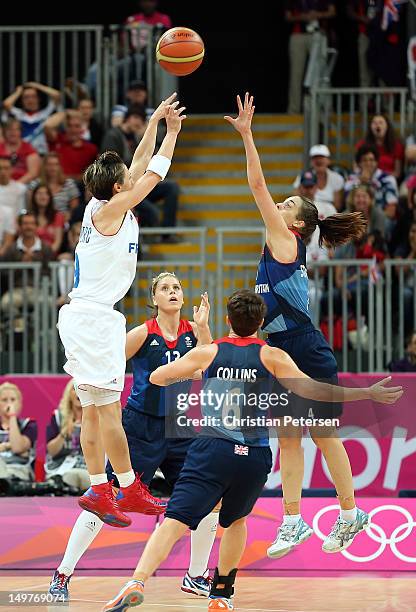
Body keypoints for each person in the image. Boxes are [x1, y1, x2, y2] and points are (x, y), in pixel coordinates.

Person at [102, 289, 401, 612]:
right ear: (261, 323)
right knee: (236, 521)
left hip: (211, 450)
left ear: (228, 320)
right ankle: (221, 595)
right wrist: (366, 394)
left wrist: (197, 372)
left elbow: (159, 377)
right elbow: (313, 389)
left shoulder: (211, 352)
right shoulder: (273, 356)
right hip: (254, 456)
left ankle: (137, 580)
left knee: (175, 519)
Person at [225, 93, 370, 559]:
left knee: (323, 436)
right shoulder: (279, 247)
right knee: (288, 437)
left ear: (299, 224)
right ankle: (293, 521)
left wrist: (248, 136)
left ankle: (351, 513)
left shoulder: (284, 240)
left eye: (288, 204)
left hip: (305, 350)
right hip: (283, 352)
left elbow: (256, 186)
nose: (279, 205)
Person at [56, 93, 185, 529]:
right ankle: (128, 487)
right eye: (124, 178)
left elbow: (138, 162)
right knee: (108, 410)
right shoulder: (112, 209)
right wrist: (172, 135)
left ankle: (98, 487)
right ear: (117, 188)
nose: (130, 176)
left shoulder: (105, 202)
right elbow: (150, 174)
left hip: (87, 317)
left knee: (94, 409)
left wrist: (152, 122)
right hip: (93, 319)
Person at [49, 273, 217, 601]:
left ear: (183, 297)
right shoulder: (143, 333)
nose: (172, 292)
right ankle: (63, 572)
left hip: (179, 426)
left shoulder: (192, 331)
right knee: (106, 496)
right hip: (140, 427)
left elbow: (209, 361)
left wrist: (204, 325)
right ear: (154, 299)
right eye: (165, 288)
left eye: (176, 288)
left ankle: (196, 575)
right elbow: (107, 365)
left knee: (207, 496)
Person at [285, 1, 336, 114]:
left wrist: (317, 14)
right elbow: (287, 16)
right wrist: (302, 17)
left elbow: (332, 11)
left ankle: (325, 109)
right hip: (298, 35)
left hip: (318, 34)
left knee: (322, 75)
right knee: (296, 75)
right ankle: (294, 110)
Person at [45, 379, 89, 491]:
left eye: (83, 388)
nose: (79, 392)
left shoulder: (97, 417)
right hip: (62, 466)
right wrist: (64, 433)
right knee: (68, 477)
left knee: (79, 477)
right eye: (75, 389)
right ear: (69, 393)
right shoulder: (58, 417)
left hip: (87, 468)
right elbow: (51, 451)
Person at [2, 81, 61, 155]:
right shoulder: (18, 114)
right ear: (22, 101)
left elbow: (56, 95)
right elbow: (6, 104)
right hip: (22, 155)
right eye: (26, 97)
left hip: (42, 154)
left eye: (34, 96)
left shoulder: (46, 113)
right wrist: (19, 91)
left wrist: (37, 86)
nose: (30, 100)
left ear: (38, 99)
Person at [0, 382, 37, 488]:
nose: (9, 404)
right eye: (4, 400)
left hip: (19, 472)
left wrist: (12, 416)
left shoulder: (29, 425)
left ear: (19, 404)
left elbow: (17, 447)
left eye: (12, 400)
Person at [44, 111, 98, 182]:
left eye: (77, 126)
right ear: (65, 128)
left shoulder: (91, 148)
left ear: (83, 129)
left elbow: (96, 173)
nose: (73, 130)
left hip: (79, 186)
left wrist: (69, 178)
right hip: (56, 184)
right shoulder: (57, 140)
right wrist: (66, 112)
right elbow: (48, 126)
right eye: (69, 126)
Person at [27, 153, 80, 221]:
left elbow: (74, 209)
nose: (53, 168)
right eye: (49, 165)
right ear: (44, 166)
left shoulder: (69, 184)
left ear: (60, 166)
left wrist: (67, 215)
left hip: (63, 220)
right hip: (39, 221)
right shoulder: (35, 184)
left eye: (56, 164)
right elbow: (31, 207)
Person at [294, 145, 344, 211]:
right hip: (307, 211)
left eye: (322, 157)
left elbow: (338, 206)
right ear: (311, 161)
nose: (318, 160)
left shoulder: (337, 178)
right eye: (315, 157)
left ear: (328, 160)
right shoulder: (302, 177)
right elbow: (295, 200)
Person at [356, 114, 404, 180]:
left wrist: (381, 177)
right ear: (370, 127)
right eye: (374, 123)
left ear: (387, 126)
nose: (377, 125)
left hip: (388, 180)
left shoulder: (396, 145)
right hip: (366, 179)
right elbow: (356, 168)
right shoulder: (362, 144)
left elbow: (397, 173)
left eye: (381, 123)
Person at [0, 119, 41, 184]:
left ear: (21, 132)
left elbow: (33, 173)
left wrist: (16, 186)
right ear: (5, 132)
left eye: (16, 130)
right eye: (9, 130)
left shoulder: (29, 149)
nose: (12, 133)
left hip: (23, 186)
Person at [29, 184, 65, 254]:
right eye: (39, 193)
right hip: (32, 255)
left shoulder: (57, 216)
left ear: (50, 197)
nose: (43, 196)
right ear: (34, 197)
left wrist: (45, 255)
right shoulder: (29, 216)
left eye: (46, 194)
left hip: (51, 255)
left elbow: (57, 242)